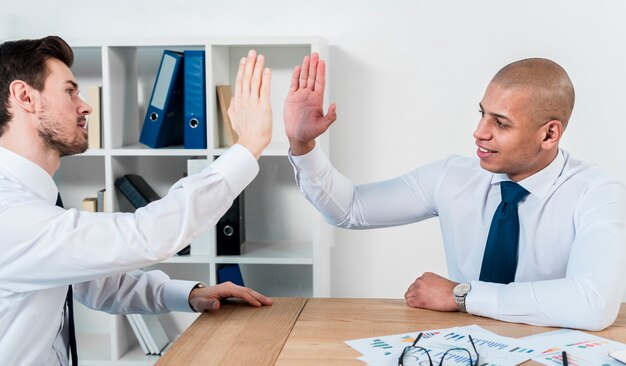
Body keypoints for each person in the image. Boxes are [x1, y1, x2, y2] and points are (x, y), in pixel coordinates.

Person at [283, 52, 626, 331]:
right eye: (482, 114)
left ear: (549, 134)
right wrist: (303, 144)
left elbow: (592, 303)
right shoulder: (452, 177)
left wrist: (462, 295)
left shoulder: (596, 192)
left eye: (500, 122)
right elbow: (350, 209)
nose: (479, 132)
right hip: (465, 348)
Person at [0, 36, 273, 365]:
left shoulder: (35, 199)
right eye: (70, 91)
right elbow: (143, 236)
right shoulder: (8, 211)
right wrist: (249, 147)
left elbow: (91, 282)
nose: (85, 105)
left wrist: (188, 294)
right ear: (24, 96)